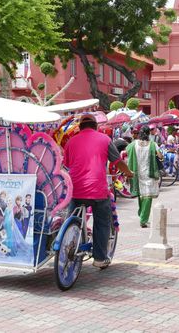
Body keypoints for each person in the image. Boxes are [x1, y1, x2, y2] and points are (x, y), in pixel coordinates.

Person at [63, 113, 133, 268]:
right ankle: (100, 258)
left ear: (80, 127)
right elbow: (118, 162)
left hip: (74, 189)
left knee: (69, 218)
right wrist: (129, 173)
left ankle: (66, 240)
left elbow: (67, 164)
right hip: (97, 190)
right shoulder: (105, 139)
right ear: (96, 127)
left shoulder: (71, 141)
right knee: (102, 221)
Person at [126, 125, 161, 228]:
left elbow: (126, 151)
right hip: (149, 174)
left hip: (136, 174)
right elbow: (160, 156)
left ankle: (142, 214)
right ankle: (143, 219)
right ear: (148, 134)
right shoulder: (153, 144)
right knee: (147, 198)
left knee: (141, 196)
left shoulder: (133, 144)